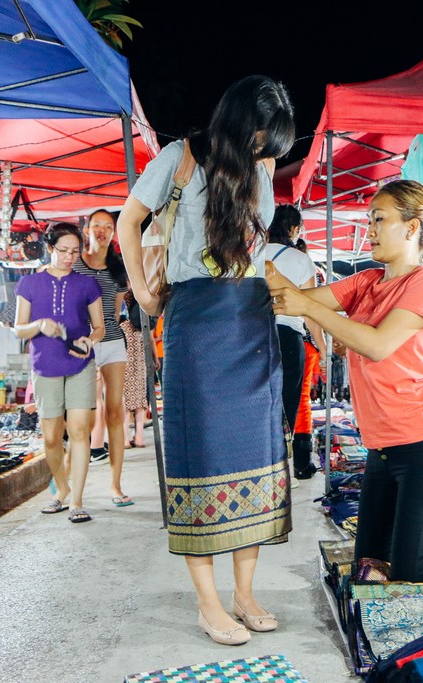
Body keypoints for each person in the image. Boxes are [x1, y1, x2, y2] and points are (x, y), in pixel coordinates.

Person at [269, 179, 423, 583]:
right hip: (382, 451)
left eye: (379, 219)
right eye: (370, 220)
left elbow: (379, 345)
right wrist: (259, 264)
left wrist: (304, 305)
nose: (369, 229)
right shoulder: (367, 282)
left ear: (410, 228)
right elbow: (298, 298)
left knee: (411, 573)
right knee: (370, 563)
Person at [118, 75, 294, 646]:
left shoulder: (262, 168)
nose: (267, 152)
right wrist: (145, 292)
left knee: (257, 455)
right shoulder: (180, 157)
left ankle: (244, 594)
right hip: (196, 320)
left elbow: (257, 247)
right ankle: (209, 603)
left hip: (251, 317)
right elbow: (128, 222)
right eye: (265, 139)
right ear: (244, 121)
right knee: (201, 460)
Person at [15, 223, 105, 524]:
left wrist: (88, 341)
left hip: (80, 364)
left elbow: (100, 327)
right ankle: (61, 490)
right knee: (52, 438)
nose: (69, 257)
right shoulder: (28, 284)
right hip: (45, 366)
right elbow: (19, 328)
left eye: (75, 252)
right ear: (50, 248)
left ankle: (77, 500)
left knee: (80, 430)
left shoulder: (88, 285)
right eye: (63, 251)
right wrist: (40, 325)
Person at [72, 209, 133, 507]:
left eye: (108, 226)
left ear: (114, 232)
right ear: (87, 229)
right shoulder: (74, 266)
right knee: (81, 414)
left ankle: (116, 485)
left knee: (115, 412)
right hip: (81, 345)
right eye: (96, 225)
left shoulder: (118, 268)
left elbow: (115, 313)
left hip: (111, 344)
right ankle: (70, 484)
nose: (102, 231)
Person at [266, 204, 326, 479]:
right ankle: (278, 471)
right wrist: (323, 348)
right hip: (288, 337)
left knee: (255, 405)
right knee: (287, 409)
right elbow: (309, 309)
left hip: (251, 335)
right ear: (294, 229)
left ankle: (254, 467)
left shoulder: (251, 254)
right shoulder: (302, 260)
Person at [120, 287, 147, 449]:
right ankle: (140, 437)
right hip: (139, 336)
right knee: (139, 388)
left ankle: (124, 438)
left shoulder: (118, 290)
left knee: (124, 390)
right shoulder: (139, 291)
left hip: (122, 337)